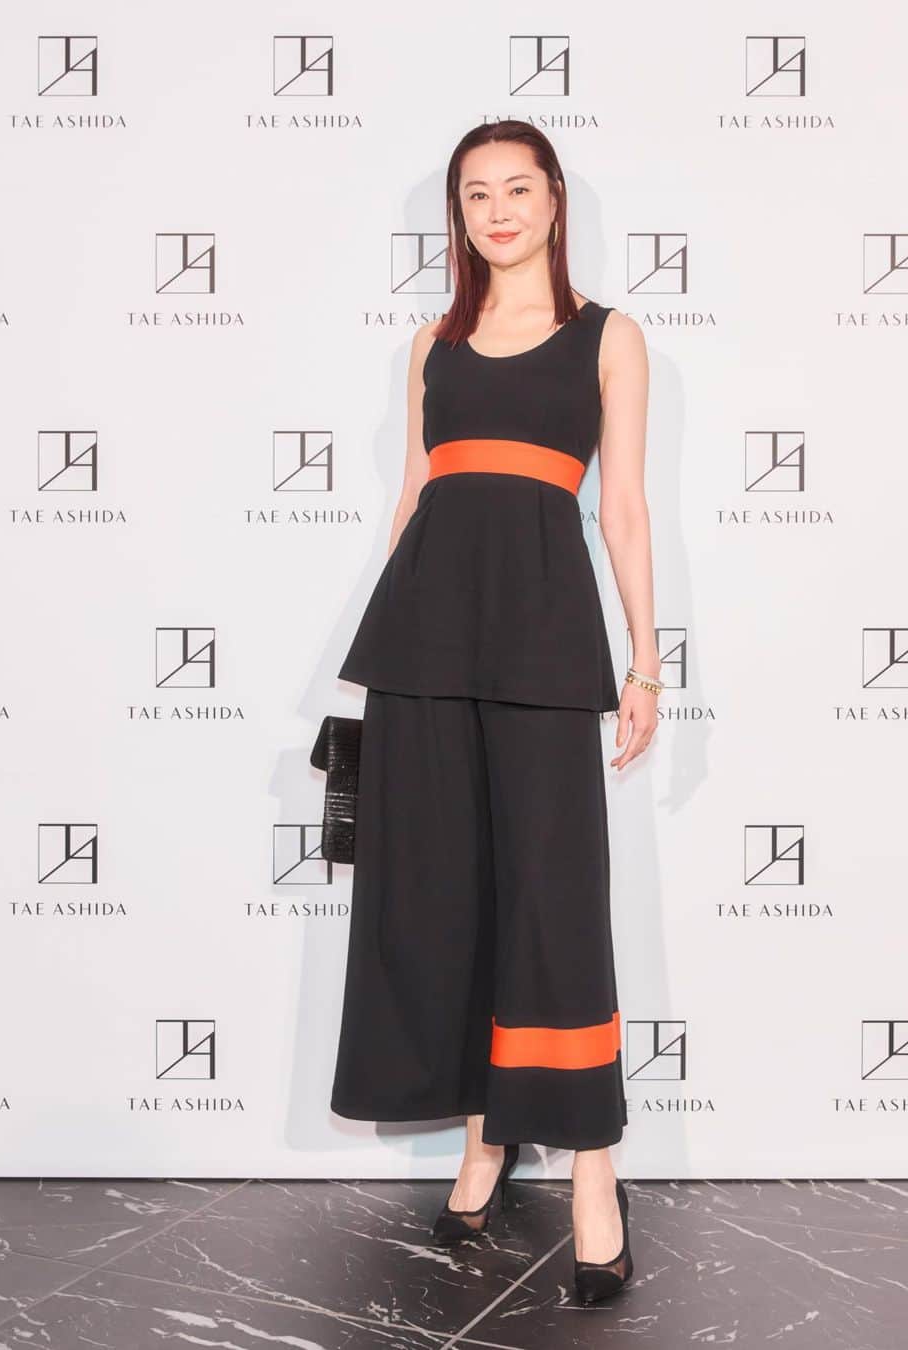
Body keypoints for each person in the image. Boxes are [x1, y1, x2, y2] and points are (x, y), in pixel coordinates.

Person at [329, 118, 659, 1304]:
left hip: (545, 643)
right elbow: (414, 500)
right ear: (459, 216)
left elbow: (623, 510)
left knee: (554, 900)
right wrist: (378, 651)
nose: (500, 210)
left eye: (519, 188)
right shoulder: (434, 343)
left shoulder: (609, 337)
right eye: (478, 194)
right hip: (423, 642)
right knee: (442, 892)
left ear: (556, 201)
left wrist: (646, 665)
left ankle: (593, 1171)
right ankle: (484, 1138)